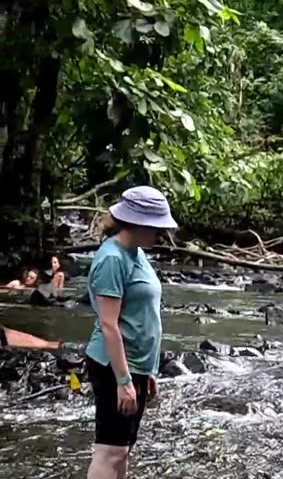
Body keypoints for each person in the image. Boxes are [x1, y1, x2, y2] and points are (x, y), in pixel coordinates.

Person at [85, 186, 175, 479]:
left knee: (122, 449)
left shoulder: (135, 253)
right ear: (136, 222)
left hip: (135, 365)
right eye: (156, 227)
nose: (159, 234)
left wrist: (148, 370)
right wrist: (124, 381)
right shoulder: (113, 259)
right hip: (114, 366)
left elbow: (142, 314)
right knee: (109, 450)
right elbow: (109, 325)